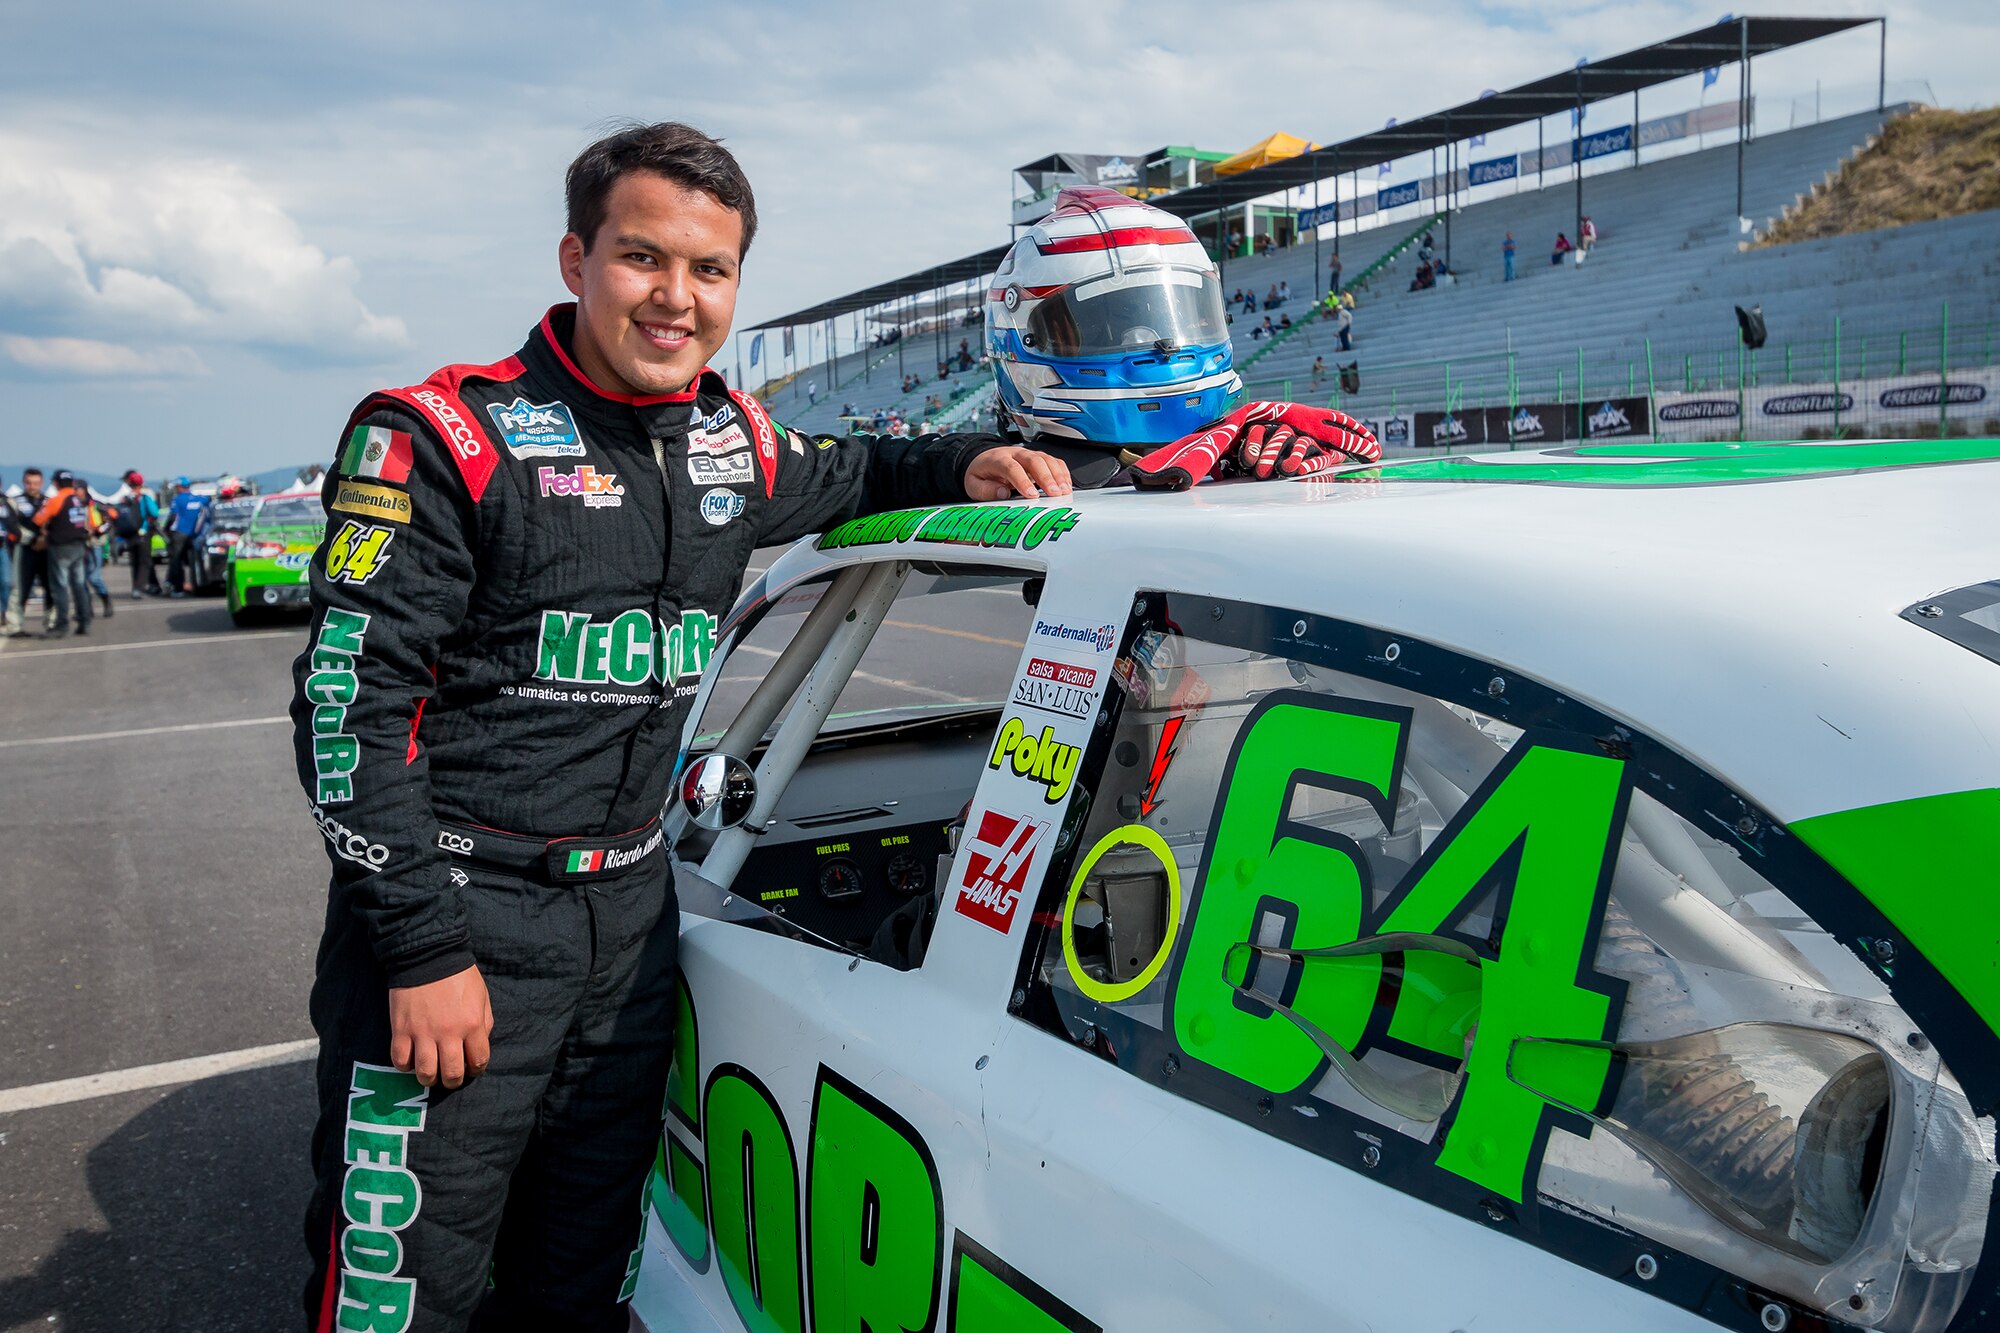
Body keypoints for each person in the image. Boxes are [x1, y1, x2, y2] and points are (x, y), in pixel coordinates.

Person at [292, 120, 1069, 1333]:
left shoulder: (728, 437)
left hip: (631, 922)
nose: (677, 297)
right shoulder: (441, 435)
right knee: (406, 1292)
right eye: (643, 258)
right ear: (574, 258)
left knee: (585, 1274)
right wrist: (421, 947)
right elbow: (348, 709)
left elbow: (862, 471)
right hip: (464, 921)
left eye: (710, 270)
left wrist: (975, 459)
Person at [32, 469, 96, 637]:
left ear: (55, 483)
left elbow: (38, 519)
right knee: (79, 585)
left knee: (60, 587)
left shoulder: (56, 500)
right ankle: (84, 621)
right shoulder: (79, 501)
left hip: (60, 547)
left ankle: (62, 625)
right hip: (79, 546)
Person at [5, 468, 52, 636]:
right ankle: (15, 626)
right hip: (24, 550)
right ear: (23, 482)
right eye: (28, 483)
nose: (32, 486)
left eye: (35, 483)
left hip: (47, 551)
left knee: (50, 586)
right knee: (19, 588)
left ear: (41, 483)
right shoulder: (14, 501)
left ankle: (52, 623)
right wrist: (33, 539)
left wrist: (46, 539)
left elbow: (57, 524)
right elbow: (11, 524)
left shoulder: (49, 502)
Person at [114, 472, 162, 597]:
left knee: (134, 562)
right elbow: (155, 512)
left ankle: (136, 587)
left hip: (129, 534)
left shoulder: (124, 498)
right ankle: (139, 588)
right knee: (144, 562)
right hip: (143, 532)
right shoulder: (144, 497)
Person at [164, 478, 209, 596]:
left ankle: (177, 588)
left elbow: (173, 517)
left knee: (176, 561)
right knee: (195, 561)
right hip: (195, 534)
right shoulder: (201, 499)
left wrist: (166, 530)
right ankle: (198, 586)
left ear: (179, 487)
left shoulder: (177, 499)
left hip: (179, 533)